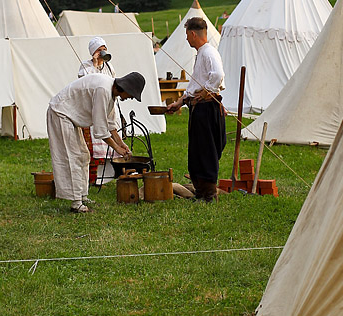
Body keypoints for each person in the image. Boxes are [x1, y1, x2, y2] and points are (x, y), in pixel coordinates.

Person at [47, 72, 145, 213]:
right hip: (60, 112)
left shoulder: (111, 92)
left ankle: (82, 196)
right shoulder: (103, 90)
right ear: (126, 88)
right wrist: (117, 148)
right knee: (73, 156)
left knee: (83, 156)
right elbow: (100, 129)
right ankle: (76, 202)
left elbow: (110, 124)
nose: (130, 98)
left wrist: (121, 143)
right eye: (131, 95)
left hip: (69, 116)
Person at [166, 17, 226, 202]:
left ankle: (209, 194)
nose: (186, 39)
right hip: (200, 109)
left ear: (193, 34)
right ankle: (201, 192)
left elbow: (218, 75)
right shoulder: (201, 54)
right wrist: (180, 101)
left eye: (187, 35)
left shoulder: (208, 53)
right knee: (198, 151)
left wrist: (207, 91)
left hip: (207, 109)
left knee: (206, 151)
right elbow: (195, 83)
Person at [78, 37, 118, 182]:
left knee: (107, 146)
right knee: (92, 147)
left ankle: (105, 177)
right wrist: (94, 63)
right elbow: (85, 82)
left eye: (104, 49)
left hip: (106, 108)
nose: (102, 52)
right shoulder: (85, 66)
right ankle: (92, 178)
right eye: (99, 49)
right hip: (91, 110)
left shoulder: (109, 67)